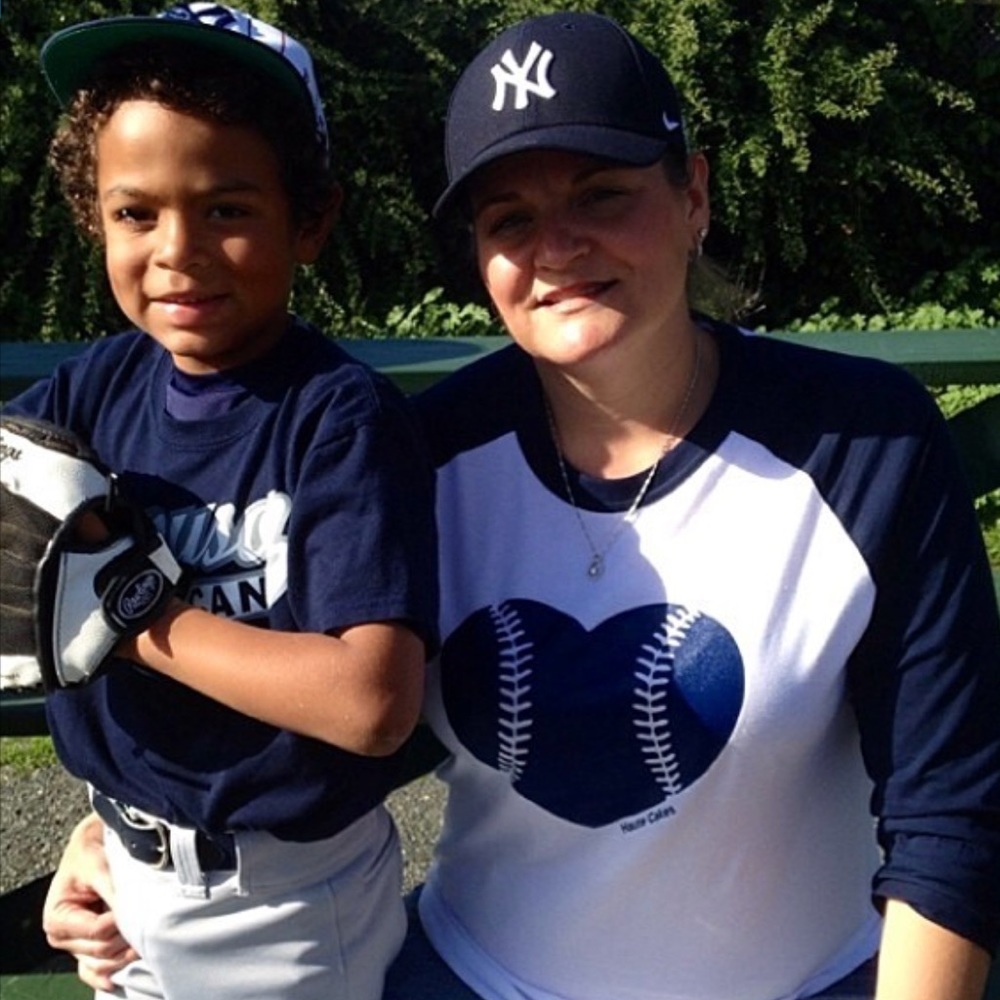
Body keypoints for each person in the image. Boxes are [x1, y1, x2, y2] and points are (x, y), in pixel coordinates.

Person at [42, 11, 1000, 1000]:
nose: (556, 246)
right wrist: (118, 838)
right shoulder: (421, 452)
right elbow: (290, 710)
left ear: (694, 196)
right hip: (473, 979)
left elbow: (951, 810)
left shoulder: (863, 439)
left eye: (603, 193)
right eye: (508, 219)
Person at [2, 4, 437, 1000]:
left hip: (287, 905)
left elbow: (371, 703)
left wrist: (129, 607)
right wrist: (89, 832)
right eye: (135, 211)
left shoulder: (337, 417)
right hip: (119, 875)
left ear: (310, 220)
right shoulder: (93, 392)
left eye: (228, 208)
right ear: (92, 216)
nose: (177, 249)